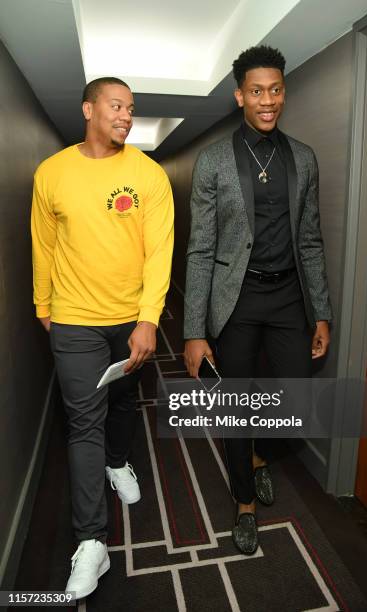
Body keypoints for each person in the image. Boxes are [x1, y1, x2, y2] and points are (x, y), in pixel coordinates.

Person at [183, 46, 331, 554]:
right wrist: (194, 331)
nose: (267, 100)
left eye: (275, 90)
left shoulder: (304, 158)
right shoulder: (213, 162)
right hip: (237, 299)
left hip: (289, 295)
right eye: (256, 91)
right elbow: (200, 249)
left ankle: (261, 457)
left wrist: (322, 313)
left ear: (283, 92)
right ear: (239, 95)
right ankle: (244, 502)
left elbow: (310, 239)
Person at [31, 77, 174, 598]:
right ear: (89, 108)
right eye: (117, 106)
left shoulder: (148, 174)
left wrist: (149, 319)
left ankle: (119, 462)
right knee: (82, 423)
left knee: (122, 401)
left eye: (131, 109)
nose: (126, 116)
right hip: (73, 320)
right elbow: (42, 243)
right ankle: (91, 541)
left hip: (129, 319)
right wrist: (44, 306)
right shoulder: (52, 172)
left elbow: (160, 252)